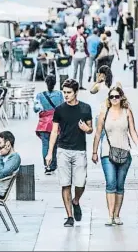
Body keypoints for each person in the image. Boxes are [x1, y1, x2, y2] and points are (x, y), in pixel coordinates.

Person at [45, 79, 93, 227]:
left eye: (69, 92)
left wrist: (87, 129)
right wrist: (49, 152)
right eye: (64, 92)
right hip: (63, 150)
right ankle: (69, 216)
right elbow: (54, 131)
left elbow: (90, 128)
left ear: (76, 92)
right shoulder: (59, 110)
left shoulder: (85, 108)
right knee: (65, 184)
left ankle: (76, 200)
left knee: (80, 183)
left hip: (79, 150)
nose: (66, 95)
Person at [92, 87, 138, 226]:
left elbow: (132, 131)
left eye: (116, 96)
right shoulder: (104, 113)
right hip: (107, 153)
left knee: (120, 185)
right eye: (111, 97)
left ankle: (117, 215)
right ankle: (110, 215)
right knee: (111, 183)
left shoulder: (127, 112)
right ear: (109, 98)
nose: (114, 99)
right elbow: (97, 133)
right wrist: (95, 152)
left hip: (125, 152)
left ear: (121, 98)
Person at [34, 75, 64, 175]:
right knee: (54, 145)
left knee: (45, 145)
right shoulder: (59, 94)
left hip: (43, 124)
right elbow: (62, 107)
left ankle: (47, 165)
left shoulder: (40, 95)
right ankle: (53, 165)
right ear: (55, 83)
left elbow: (35, 109)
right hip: (55, 123)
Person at [70, 25, 89, 90]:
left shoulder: (84, 37)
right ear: (78, 29)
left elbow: (86, 46)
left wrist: (87, 54)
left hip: (83, 56)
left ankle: (80, 85)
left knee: (81, 71)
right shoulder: (73, 37)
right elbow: (71, 46)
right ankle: (73, 85)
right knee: (75, 71)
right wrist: (73, 55)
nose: (83, 30)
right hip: (76, 55)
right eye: (82, 29)